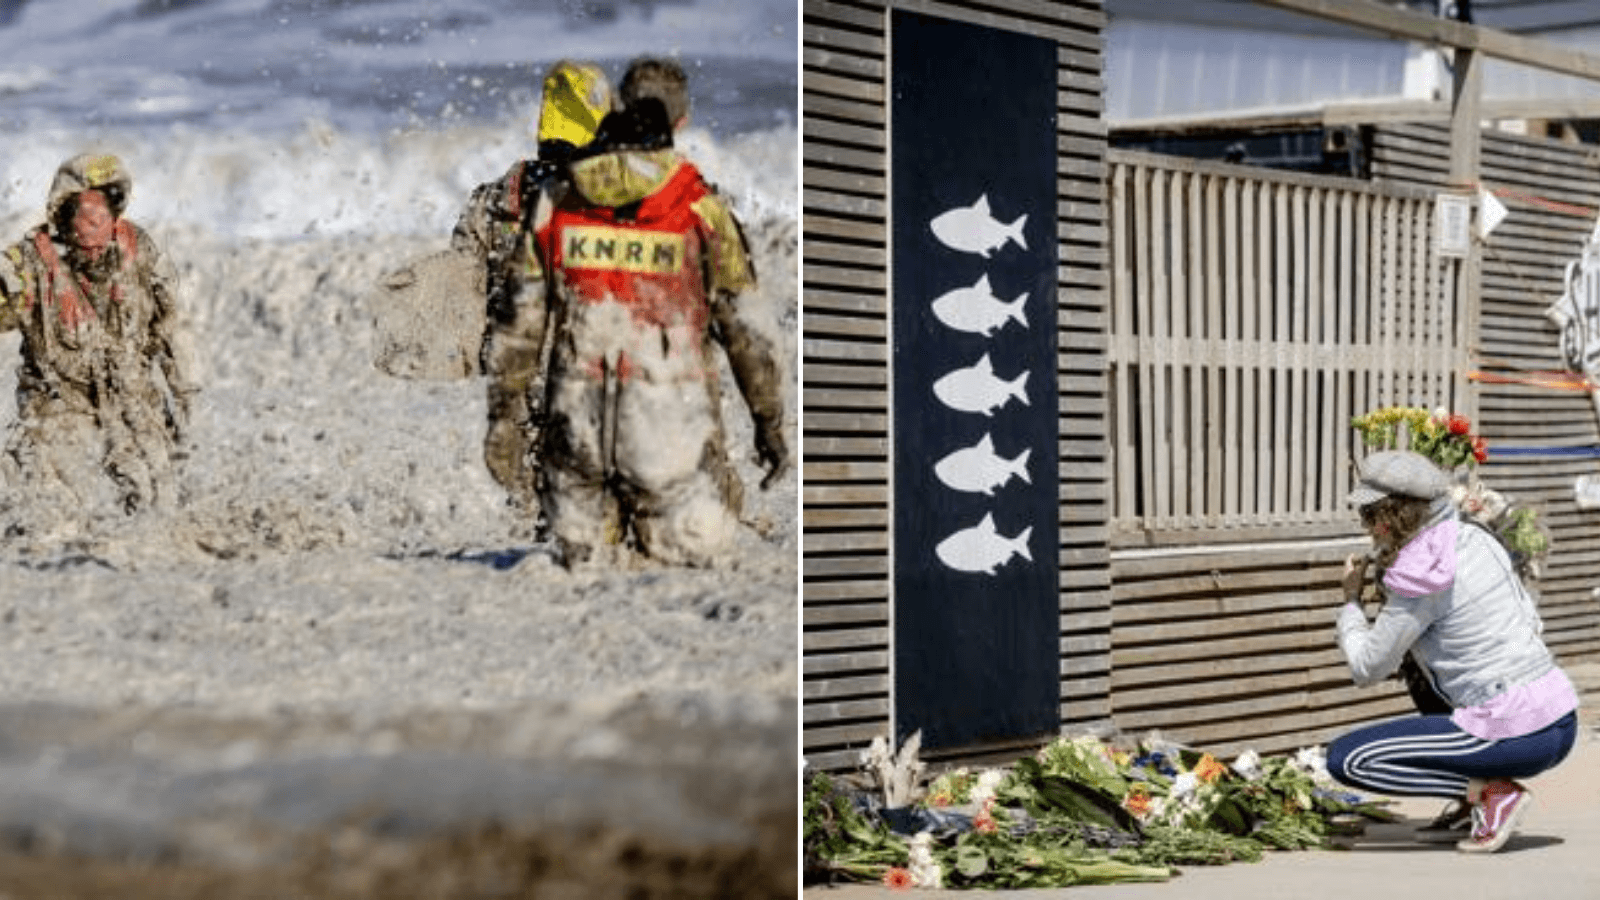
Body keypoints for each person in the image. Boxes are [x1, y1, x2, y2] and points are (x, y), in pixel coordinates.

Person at [493, 55, 789, 566]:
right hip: (668, 447)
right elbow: (749, 332)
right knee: (696, 555)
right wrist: (770, 423)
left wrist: (502, 424)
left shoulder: (557, 199)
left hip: (576, 443)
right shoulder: (700, 207)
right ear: (681, 122)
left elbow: (517, 326)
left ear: (619, 107)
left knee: (582, 565)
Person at [1326, 450, 1579, 853]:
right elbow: (1531, 622)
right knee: (1423, 673)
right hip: (1559, 715)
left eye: (1371, 516)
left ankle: (1491, 793)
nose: (1368, 528)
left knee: (1347, 759)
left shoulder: (1424, 568)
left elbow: (1367, 667)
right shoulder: (1475, 536)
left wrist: (1351, 603)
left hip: (1513, 730)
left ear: (1393, 516)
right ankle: (1472, 801)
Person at [451, 59, 616, 519]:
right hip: (582, 365)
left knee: (529, 479)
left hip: (514, 367)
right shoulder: (604, 200)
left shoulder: (493, 198)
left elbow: (462, 287)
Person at [0, 153, 198, 523]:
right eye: (83, 216)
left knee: (161, 500)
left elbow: (172, 327)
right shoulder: (30, 262)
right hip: (57, 401)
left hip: (131, 396)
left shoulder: (140, 254)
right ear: (62, 217)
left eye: (101, 216)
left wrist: (186, 393)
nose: (93, 228)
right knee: (46, 506)